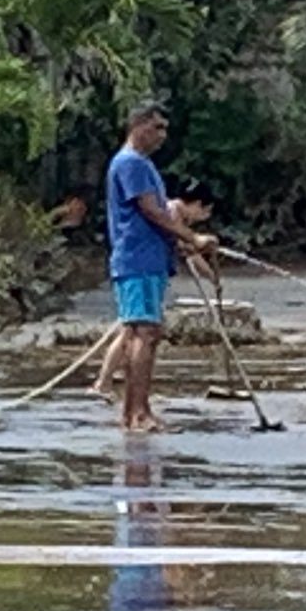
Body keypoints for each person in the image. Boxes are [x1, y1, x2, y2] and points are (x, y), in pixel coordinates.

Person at [107, 103, 215, 434]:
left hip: (150, 257)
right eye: (157, 127)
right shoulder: (131, 164)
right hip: (136, 259)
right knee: (143, 333)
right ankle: (138, 413)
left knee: (147, 333)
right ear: (138, 126)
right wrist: (192, 236)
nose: (162, 135)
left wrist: (178, 244)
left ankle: (136, 411)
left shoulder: (145, 166)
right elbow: (152, 212)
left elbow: (155, 218)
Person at [92, 179, 219, 403]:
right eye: (206, 211)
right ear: (197, 204)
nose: (205, 217)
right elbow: (185, 247)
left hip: (150, 273)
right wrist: (210, 273)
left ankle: (114, 383)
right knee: (131, 330)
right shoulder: (171, 214)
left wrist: (208, 271)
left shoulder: (174, 215)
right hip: (139, 272)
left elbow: (184, 248)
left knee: (132, 330)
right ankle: (104, 383)